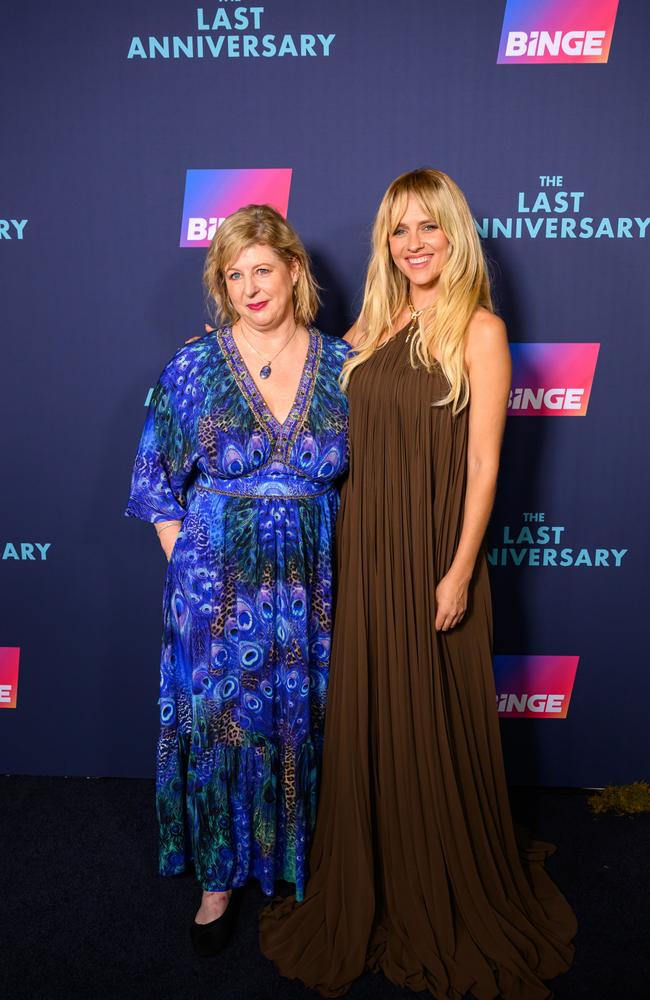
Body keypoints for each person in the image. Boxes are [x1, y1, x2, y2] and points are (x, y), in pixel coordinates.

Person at [259, 169, 577, 997]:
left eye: (428, 226)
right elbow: (311, 395)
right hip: (365, 546)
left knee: (431, 715)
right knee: (370, 715)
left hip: (434, 551)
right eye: (399, 230)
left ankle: (441, 877)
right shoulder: (373, 321)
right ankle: (378, 875)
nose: (414, 243)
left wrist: (460, 569)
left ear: (455, 234)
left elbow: (484, 464)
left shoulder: (480, 329)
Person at [125, 204, 350, 955]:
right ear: (222, 285)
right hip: (214, 589)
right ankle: (218, 879)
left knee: (302, 720)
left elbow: (374, 484)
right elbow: (155, 480)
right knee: (225, 727)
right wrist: (191, 571)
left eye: (263, 269)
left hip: (313, 591)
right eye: (234, 274)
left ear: (293, 270)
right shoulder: (194, 366)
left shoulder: (347, 365)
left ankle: (299, 859)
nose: (252, 287)